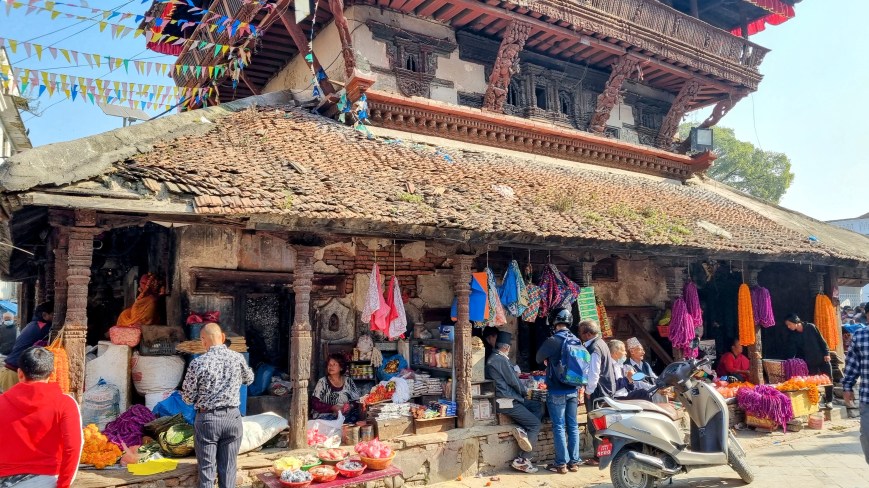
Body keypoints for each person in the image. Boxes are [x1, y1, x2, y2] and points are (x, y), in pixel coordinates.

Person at [181, 323, 254, 488]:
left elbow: (187, 397)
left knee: (207, 472)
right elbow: (249, 379)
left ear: (203, 341)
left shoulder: (198, 363)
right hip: (233, 418)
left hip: (208, 420)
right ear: (222, 337)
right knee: (228, 470)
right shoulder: (237, 357)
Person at [0, 347, 83, 488]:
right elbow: (73, 448)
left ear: (20, 373)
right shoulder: (65, 404)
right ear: (51, 374)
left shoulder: (2, 402)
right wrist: (63, 485)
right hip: (47, 481)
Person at [486, 331, 544, 473]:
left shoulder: (497, 358)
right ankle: (523, 460)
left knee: (538, 406)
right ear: (507, 347)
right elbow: (514, 381)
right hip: (507, 400)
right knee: (535, 424)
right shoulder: (499, 359)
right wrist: (525, 392)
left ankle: (523, 431)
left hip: (510, 398)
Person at [535, 308, 583, 473]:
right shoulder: (576, 340)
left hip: (556, 390)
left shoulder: (553, 340)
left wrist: (550, 358)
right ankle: (574, 462)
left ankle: (561, 463)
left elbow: (538, 358)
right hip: (573, 388)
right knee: (573, 425)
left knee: (559, 426)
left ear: (554, 321)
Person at [0, 302, 53, 393]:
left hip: (10, 371)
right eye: (53, 314)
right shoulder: (43, 328)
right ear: (44, 315)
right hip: (13, 373)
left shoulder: (32, 325)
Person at [785, 313, 834, 409]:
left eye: (789, 324)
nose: (788, 326)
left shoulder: (811, 327)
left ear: (795, 322)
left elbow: (821, 340)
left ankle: (829, 401)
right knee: (811, 382)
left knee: (828, 379)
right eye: (787, 325)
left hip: (822, 358)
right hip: (809, 361)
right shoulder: (794, 335)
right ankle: (815, 401)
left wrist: (826, 353)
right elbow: (796, 350)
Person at [843, 325, 869, 464]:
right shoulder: (860, 336)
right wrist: (847, 387)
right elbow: (852, 364)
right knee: (867, 437)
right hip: (867, 399)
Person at [311, 354, 362, 423]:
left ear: (341, 367)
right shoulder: (322, 382)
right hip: (326, 416)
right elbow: (314, 403)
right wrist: (332, 408)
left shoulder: (348, 381)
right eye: (329, 364)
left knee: (358, 417)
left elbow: (357, 401)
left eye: (334, 364)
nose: (331, 367)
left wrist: (350, 406)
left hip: (344, 415)